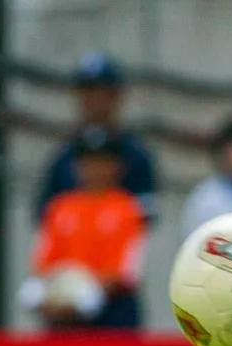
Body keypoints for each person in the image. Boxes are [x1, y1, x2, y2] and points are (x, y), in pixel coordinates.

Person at [22, 130, 147, 330]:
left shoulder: (127, 208)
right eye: (88, 162)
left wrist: (82, 291)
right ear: (75, 166)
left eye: (103, 162)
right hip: (62, 308)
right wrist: (61, 295)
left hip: (111, 308)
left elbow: (125, 270)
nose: (95, 169)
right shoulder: (60, 207)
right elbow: (42, 262)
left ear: (118, 167)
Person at [36, 53, 158, 224]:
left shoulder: (135, 155)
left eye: (103, 92)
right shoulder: (63, 156)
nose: (95, 100)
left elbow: (147, 215)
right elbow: (45, 217)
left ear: (116, 96)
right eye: (88, 92)